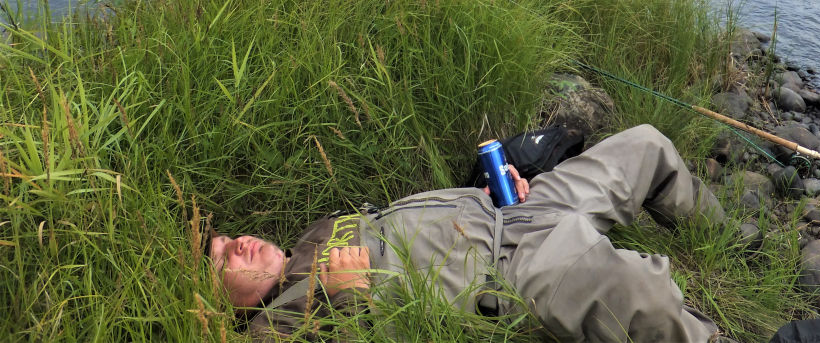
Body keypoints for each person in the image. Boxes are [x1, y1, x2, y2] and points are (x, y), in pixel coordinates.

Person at [210, 124, 737, 342]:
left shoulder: (314, 234)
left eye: (228, 238)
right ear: (221, 305)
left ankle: (725, 240)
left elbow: (417, 223)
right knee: (640, 291)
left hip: (514, 211)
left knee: (644, 145)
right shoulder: (277, 326)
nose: (238, 243)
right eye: (223, 261)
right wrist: (346, 303)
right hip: (510, 271)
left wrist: (489, 189)